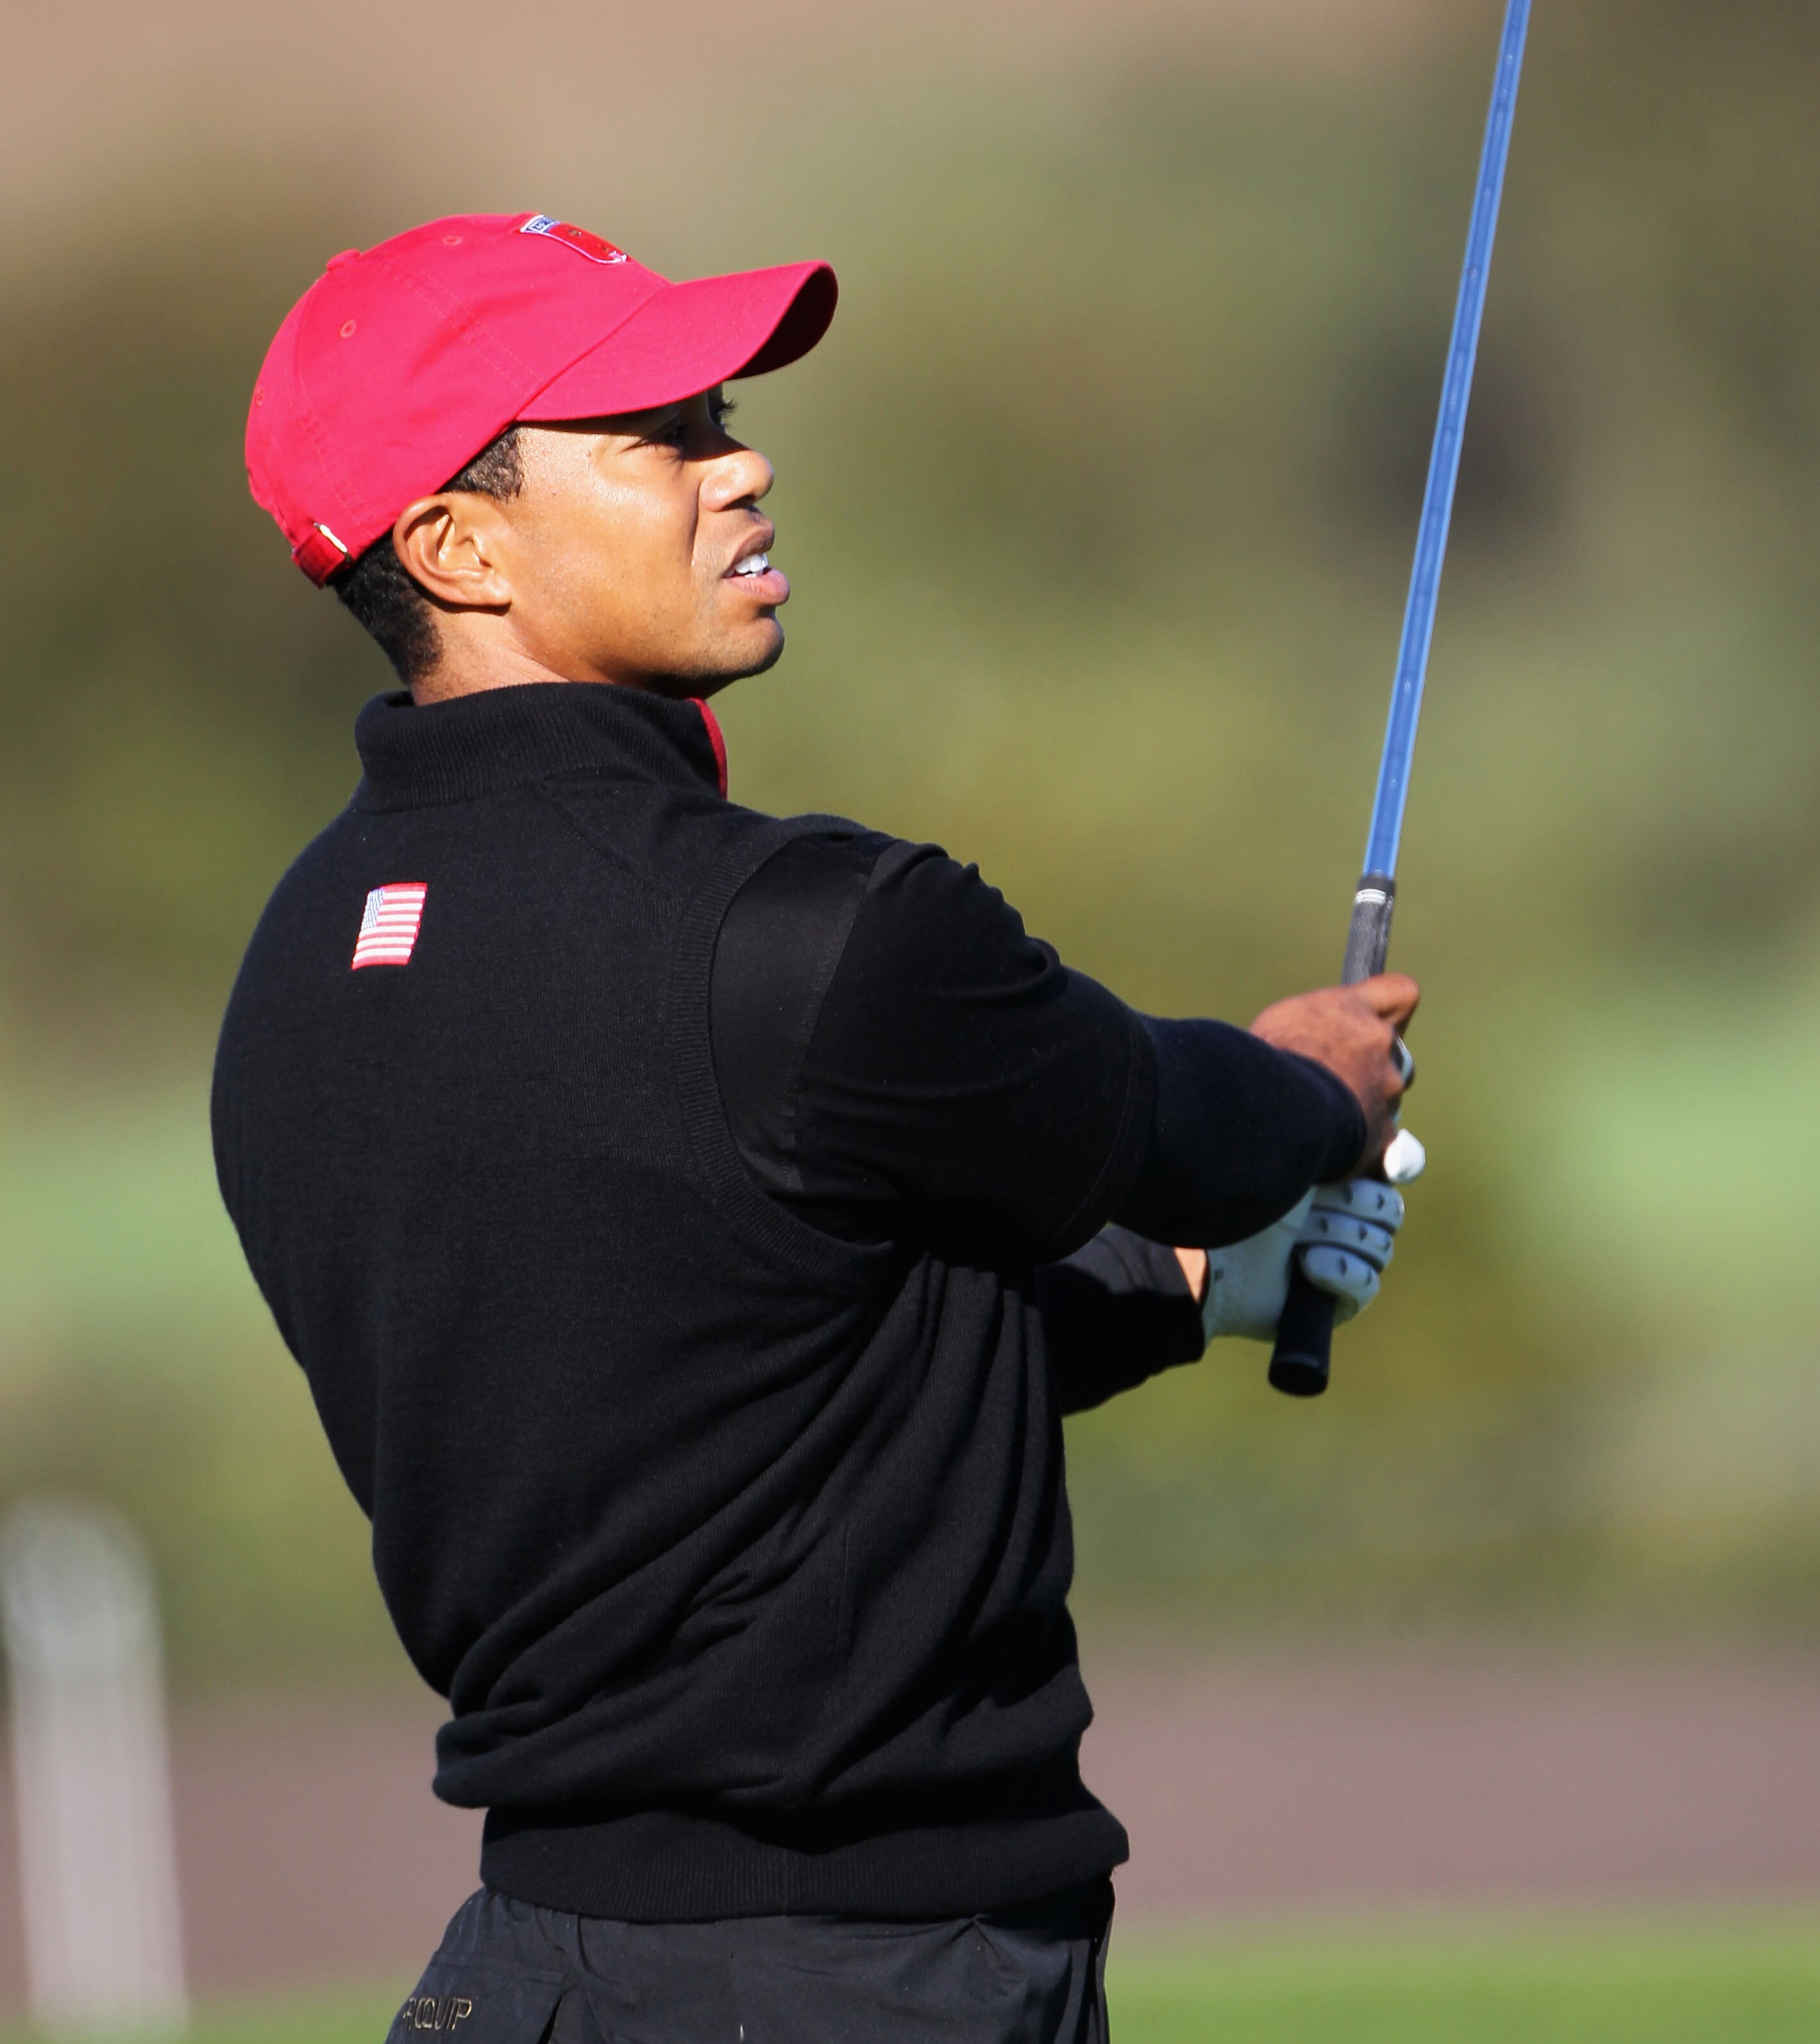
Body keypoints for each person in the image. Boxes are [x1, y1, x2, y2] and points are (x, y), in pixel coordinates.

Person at [213, 211, 1420, 2044]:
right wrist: (1320, 1088)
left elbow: (765, 1347)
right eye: (662, 434)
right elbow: (1184, 1123)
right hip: (869, 1976)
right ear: (457, 544)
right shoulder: (817, 931)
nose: (744, 460)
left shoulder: (297, 958)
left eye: (719, 413)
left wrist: (1187, 1288)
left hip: (524, 1972)